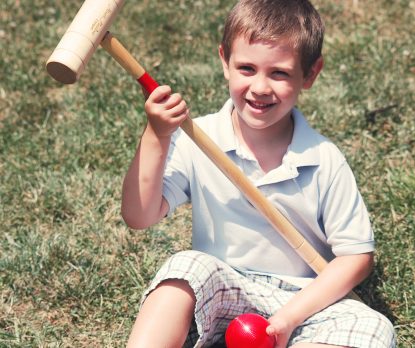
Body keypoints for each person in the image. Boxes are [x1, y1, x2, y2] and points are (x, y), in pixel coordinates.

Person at [122, 0, 396, 347]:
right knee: (184, 270)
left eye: (279, 73)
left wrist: (288, 319)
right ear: (225, 61)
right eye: (247, 68)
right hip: (224, 288)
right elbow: (138, 215)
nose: (261, 87)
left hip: (304, 301)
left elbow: (357, 257)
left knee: (373, 327)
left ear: (310, 74)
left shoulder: (323, 159)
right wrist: (156, 135)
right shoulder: (197, 139)